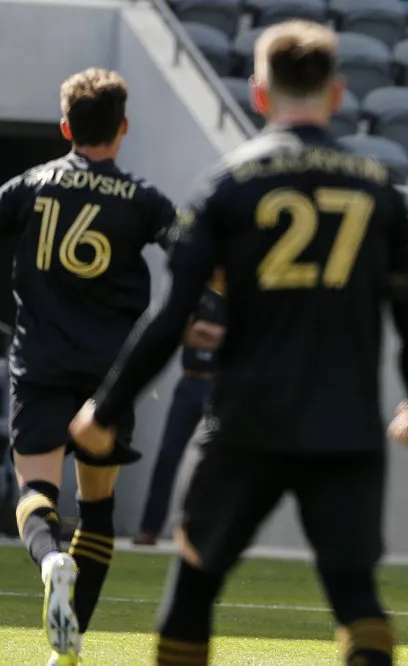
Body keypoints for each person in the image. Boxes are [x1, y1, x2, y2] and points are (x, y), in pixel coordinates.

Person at [69, 20, 408, 666]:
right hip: (346, 426)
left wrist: (105, 408)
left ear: (259, 95)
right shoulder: (376, 186)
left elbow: (172, 314)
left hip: (246, 419)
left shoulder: (228, 183)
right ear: (338, 94)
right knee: (355, 596)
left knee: (195, 584)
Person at [0, 67, 175, 665]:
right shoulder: (146, 199)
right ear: (122, 128)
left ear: (65, 126)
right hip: (108, 380)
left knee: (34, 490)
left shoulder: (25, 187)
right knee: (97, 508)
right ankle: (69, 645)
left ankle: (50, 560)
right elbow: (198, 257)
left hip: (41, 365)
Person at [134, 269, 226, 546]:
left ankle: (207, 533)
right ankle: (150, 528)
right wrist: (214, 334)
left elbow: (236, 336)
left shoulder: (237, 295)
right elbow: (184, 331)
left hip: (219, 386)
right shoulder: (196, 293)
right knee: (168, 455)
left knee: (215, 462)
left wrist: (204, 330)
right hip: (189, 383)